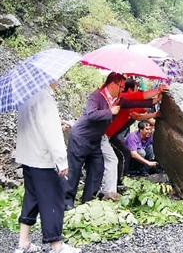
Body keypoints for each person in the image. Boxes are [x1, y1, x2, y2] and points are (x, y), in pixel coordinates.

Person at [64, 72, 157, 211]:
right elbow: (91, 114)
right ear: (113, 84)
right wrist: (110, 112)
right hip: (81, 137)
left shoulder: (118, 99)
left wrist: (156, 99)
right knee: (75, 170)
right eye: (121, 86)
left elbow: (137, 101)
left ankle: (88, 201)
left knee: (97, 170)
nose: (122, 90)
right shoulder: (96, 96)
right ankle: (67, 202)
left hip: (96, 140)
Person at [14, 80, 81, 253]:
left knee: (32, 197)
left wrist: (56, 125)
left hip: (28, 155)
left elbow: (33, 125)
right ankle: (56, 246)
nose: (58, 81)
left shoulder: (27, 94)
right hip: (43, 159)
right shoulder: (44, 97)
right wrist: (61, 160)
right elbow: (50, 132)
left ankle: (23, 243)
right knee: (53, 200)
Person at [105, 78, 165, 185]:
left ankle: (119, 180)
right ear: (130, 89)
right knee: (123, 155)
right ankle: (118, 181)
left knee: (120, 155)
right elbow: (140, 103)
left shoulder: (127, 102)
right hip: (110, 134)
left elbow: (139, 115)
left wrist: (155, 115)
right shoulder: (124, 98)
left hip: (114, 134)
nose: (137, 90)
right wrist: (156, 95)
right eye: (136, 88)